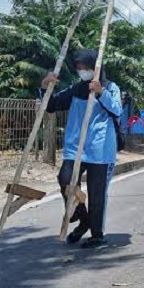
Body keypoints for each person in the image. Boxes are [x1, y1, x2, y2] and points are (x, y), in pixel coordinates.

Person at [41, 50, 122, 248]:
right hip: (75, 147)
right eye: (78, 68)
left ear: (95, 68)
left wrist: (101, 92)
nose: (82, 72)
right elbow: (51, 105)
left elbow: (117, 110)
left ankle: (97, 234)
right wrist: (45, 87)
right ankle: (82, 217)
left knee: (97, 192)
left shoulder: (111, 87)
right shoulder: (75, 89)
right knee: (65, 180)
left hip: (100, 149)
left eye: (85, 68)